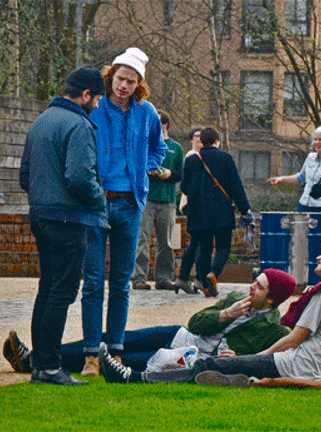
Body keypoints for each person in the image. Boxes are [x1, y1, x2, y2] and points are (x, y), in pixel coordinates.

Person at [98, 241, 321, 390]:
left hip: (295, 366)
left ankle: (135, 378)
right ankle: (233, 378)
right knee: (218, 366)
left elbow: (293, 340)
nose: (320, 255)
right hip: (318, 369)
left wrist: (258, 357)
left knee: (207, 365)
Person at [3, 268, 296, 373]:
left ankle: (36, 362)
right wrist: (223, 315)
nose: (251, 288)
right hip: (181, 336)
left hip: (190, 357)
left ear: (272, 299)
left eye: (259, 287)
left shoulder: (271, 328)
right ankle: (39, 359)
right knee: (112, 340)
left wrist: (237, 356)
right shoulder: (234, 301)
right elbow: (195, 322)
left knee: (120, 360)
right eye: (254, 282)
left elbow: (263, 360)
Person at [19, 65, 107, 386]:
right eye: (96, 98)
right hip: (69, 219)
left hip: (40, 215)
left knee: (48, 288)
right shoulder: (80, 126)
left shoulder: (40, 121)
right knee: (63, 292)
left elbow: (24, 177)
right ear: (84, 95)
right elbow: (80, 178)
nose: (97, 105)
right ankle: (50, 367)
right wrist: (100, 202)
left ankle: (41, 364)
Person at [80, 47, 167, 377]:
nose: (123, 86)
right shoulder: (95, 107)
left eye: (131, 81)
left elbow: (158, 146)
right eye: (120, 79)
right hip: (96, 202)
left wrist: (147, 167)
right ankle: (90, 354)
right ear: (111, 76)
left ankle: (114, 352)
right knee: (92, 281)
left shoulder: (147, 113)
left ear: (139, 84)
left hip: (130, 204)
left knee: (121, 283)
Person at [180, 127, 252, 297]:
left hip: (198, 213)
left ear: (202, 142)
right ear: (217, 141)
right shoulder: (225, 158)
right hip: (221, 212)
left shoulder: (191, 160)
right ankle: (213, 274)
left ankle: (206, 286)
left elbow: (184, 187)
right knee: (223, 247)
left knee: (204, 248)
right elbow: (236, 186)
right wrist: (245, 209)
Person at [131, 110, 187, 292]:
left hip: (168, 200)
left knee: (166, 242)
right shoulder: (143, 145)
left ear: (165, 125)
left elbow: (182, 175)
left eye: (158, 124)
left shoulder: (176, 148)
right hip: (146, 199)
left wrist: (170, 174)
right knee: (142, 239)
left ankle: (163, 278)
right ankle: (139, 277)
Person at [266, 121, 321, 212]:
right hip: (304, 205)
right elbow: (300, 178)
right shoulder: (310, 157)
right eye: (315, 139)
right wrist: (282, 179)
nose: (317, 142)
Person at [173, 127, 203, 294]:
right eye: (196, 137)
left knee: (196, 242)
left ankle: (185, 277)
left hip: (196, 204)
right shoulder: (192, 156)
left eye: (201, 137)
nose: (199, 140)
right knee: (199, 243)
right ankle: (192, 277)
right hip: (194, 204)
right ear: (191, 140)